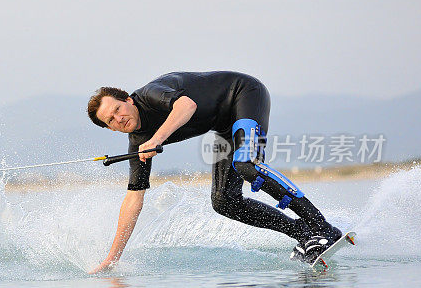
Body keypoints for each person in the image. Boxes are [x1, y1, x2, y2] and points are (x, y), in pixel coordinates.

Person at [86, 71, 343, 274]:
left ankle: (323, 228)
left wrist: (157, 138)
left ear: (128, 100)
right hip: (225, 128)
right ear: (111, 129)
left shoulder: (151, 95)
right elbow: (134, 200)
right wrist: (113, 258)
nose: (118, 118)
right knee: (223, 201)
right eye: (110, 120)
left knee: (246, 165)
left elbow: (186, 106)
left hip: (244, 95)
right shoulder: (137, 143)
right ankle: (305, 235)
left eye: (117, 109)